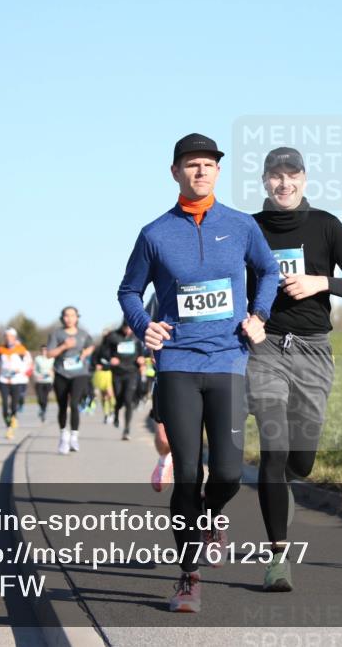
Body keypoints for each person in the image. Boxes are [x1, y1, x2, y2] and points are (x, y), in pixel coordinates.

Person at [118, 133, 279, 612]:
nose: (201, 171)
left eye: (208, 164)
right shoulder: (154, 234)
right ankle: (189, 576)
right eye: (191, 164)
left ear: (218, 172)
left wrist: (259, 315)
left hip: (229, 360)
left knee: (227, 473)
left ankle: (210, 516)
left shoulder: (242, 225)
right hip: (179, 364)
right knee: (187, 473)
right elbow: (128, 291)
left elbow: (268, 271)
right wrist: (145, 326)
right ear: (175, 173)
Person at [247, 147, 342, 592]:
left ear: (304, 179)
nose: (284, 183)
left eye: (292, 174)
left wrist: (321, 282)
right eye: (276, 176)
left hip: (313, 352)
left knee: (299, 462)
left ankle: (286, 480)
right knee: (273, 448)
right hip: (264, 350)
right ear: (265, 181)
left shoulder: (325, 225)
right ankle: (278, 558)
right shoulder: (249, 228)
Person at [46, 306, 95, 454]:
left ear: (77, 318)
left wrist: (86, 352)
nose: (69, 318)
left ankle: (74, 436)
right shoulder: (56, 334)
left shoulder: (83, 334)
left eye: (72, 315)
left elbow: (91, 346)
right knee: (62, 405)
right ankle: (63, 436)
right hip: (61, 373)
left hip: (80, 373)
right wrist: (63, 347)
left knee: (74, 403)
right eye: (66, 316)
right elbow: (49, 354)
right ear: (62, 318)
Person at [104, 320, 145, 441]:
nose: (128, 331)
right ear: (122, 326)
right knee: (118, 398)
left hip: (132, 372)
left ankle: (126, 430)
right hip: (117, 373)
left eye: (130, 328)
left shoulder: (137, 336)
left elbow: (142, 352)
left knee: (128, 400)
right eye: (126, 328)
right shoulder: (113, 336)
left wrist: (141, 359)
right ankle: (116, 413)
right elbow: (104, 352)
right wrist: (111, 358)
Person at [0, 327, 32, 440]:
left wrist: (22, 370)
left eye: (11, 336)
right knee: (4, 406)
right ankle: (8, 423)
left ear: (15, 338)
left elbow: (28, 363)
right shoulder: (0, 350)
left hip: (17, 380)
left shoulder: (22, 350)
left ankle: (12, 424)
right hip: (4, 379)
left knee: (14, 404)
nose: (8, 338)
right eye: (6, 336)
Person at [92, 329, 115, 424]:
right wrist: (96, 364)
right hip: (101, 373)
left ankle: (113, 411)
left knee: (110, 394)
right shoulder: (99, 348)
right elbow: (94, 359)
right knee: (104, 396)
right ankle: (106, 414)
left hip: (110, 373)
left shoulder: (114, 347)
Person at [32, 345, 55, 422]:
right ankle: (41, 408)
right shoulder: (37, 359)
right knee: (40, 398)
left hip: (48, 381)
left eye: (45, 350)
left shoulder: (52, 359)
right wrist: (38, 376)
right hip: (39, 381)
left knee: (45, 398)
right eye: (42, 350)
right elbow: (34, 369)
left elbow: (55, 368)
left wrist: (52, 373)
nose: (44, 351)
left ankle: (43, 411)